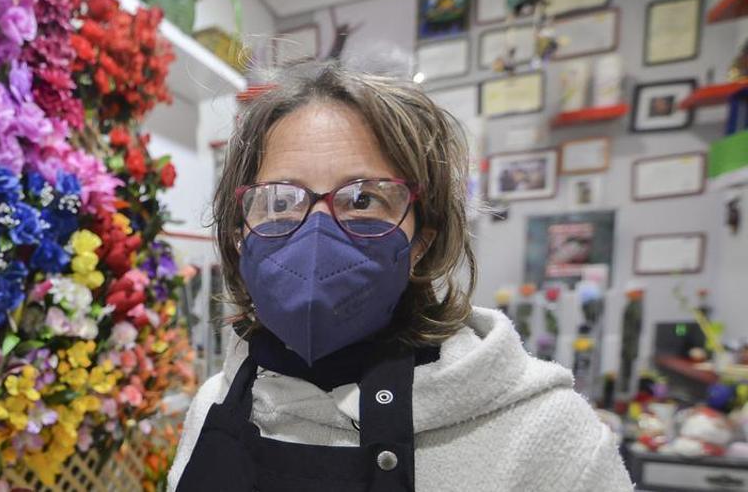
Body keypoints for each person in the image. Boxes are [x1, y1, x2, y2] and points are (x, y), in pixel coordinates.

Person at [168, 61, 631, 491]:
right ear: (239, 232)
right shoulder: (216, 399)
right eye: (280, 200)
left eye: (364, 198)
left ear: (422, 240)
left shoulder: (547, 434)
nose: (315, 232)